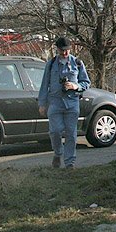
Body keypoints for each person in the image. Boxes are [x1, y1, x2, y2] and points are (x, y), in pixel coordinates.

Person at [37, 36, 91, 169]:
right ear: (57, 49)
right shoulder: (50, 64)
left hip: (72, 102)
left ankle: (69, 163)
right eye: (62, 50)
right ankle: (57, 153)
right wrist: (42, 104)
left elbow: (86, 82)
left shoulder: (77, 63)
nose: (65, 53)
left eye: (67, 50)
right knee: (55, 131)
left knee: (71, 134)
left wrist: (75, 86)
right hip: (55, 102)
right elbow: (44, 85)